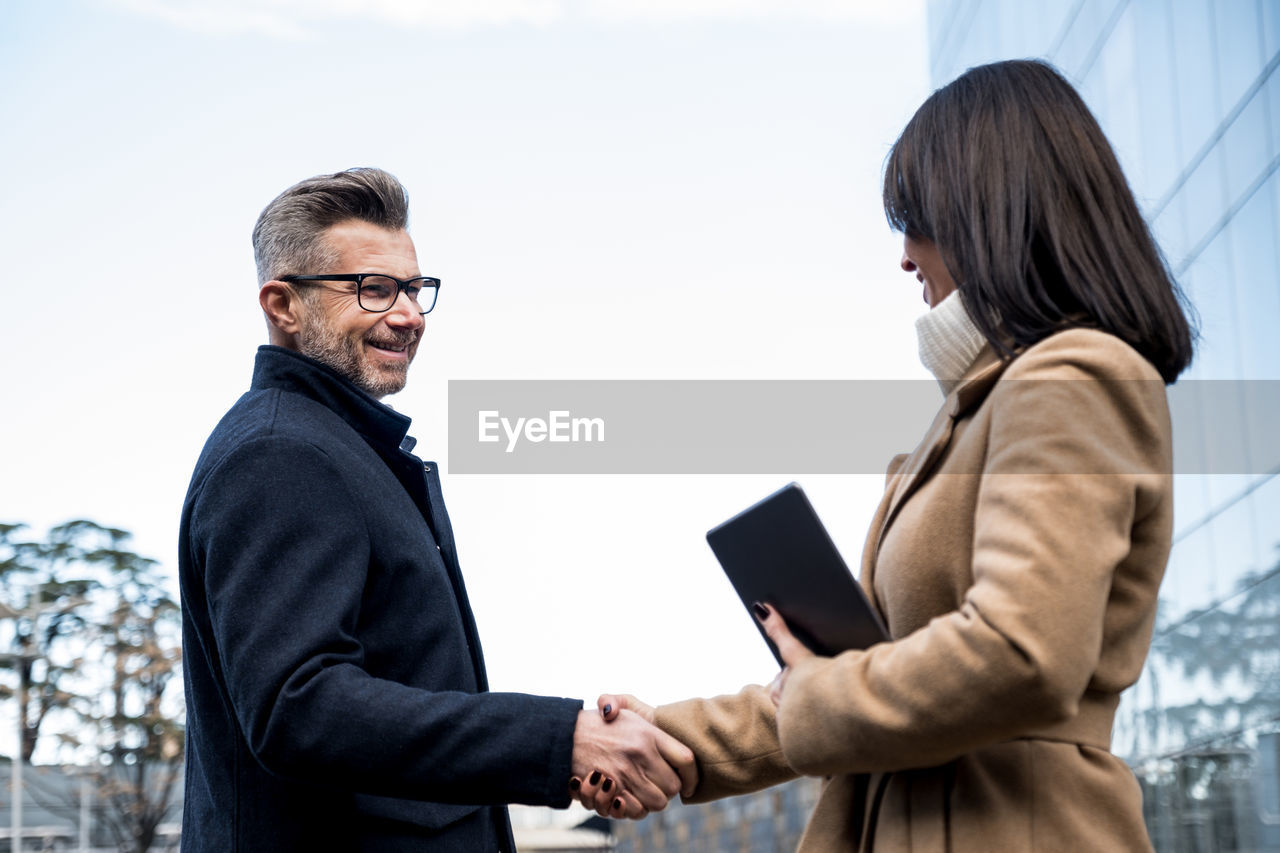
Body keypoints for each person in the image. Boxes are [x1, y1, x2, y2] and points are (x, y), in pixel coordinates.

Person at [576, 59, 1196, 850]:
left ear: (990, 212)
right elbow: (859, 681)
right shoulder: (971, 418)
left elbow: (1021, 653)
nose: (906, 256)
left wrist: (817, 690)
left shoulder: (1072, 377)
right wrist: (654, 736)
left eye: (919, 220)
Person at [178, 167, 695, 852]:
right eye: (374, 289)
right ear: (283, 305)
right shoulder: (280, 454)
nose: (408, 314)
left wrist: (568, 749)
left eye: (415, 289)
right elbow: (297, 706)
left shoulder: (342, 450)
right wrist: (557, 740)